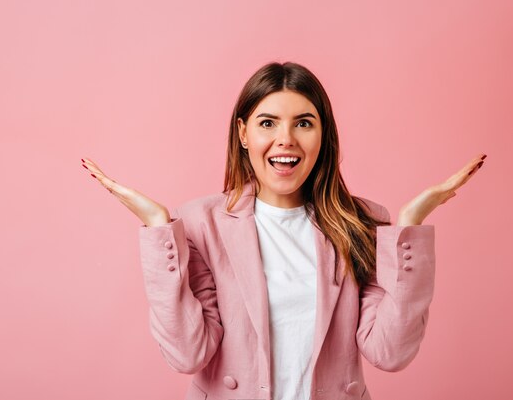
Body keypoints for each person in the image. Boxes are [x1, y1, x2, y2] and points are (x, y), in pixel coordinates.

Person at [81, 61, 485, 400]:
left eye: (304, 123)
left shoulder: (361, 221)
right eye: (268, 122)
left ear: (322, 133)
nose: (285, 140)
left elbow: (390, 352)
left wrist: (410, 225)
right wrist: (157, 229)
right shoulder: (201, 225)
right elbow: (187, 355)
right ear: (243, 133)